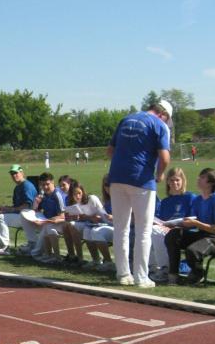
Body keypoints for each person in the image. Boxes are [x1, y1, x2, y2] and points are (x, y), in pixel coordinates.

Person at [107, 99, 171, 287]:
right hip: (141, 180)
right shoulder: (158, 125)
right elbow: (165, 157)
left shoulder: (126, 119)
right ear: (163, 115)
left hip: (116, 177)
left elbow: (110, 151)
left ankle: (123, 274)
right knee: (144, 230)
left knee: (121, 228)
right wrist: (159, 174)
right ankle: (141, 277)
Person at [165, 168, 215, 285]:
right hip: (203, 234)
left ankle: (198, 274)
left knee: (193, 251)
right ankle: (173, 275)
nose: (198, 179)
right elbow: (193, 222)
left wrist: (196, 224)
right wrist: (178, 224)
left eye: (202, 177)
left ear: (211, 183)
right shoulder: (198, 200)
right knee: (173, 235)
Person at [149, 168, 196, 282]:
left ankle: (165, 269)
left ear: (183, 181)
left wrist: (177, 226)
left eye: (177, 180)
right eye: (171, 180)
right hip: (165, 230)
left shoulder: (190, 197)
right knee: (147, 230)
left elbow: (193, 220)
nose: (175, 183)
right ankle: (151, 268)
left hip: (184, 232)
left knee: (155, 231)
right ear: (168, 182)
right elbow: (160, 219)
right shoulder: (165, 202)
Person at [0, 164, 38, 255]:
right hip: (21, 215)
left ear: (22, 173)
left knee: (1, 217)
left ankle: (5, 247)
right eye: (12, 174)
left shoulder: (27, 186)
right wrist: (6, 208)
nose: (14, 175)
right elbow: (17, 206)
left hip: (28, 217)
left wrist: (10, 210)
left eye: (16, 173)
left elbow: (27, 206)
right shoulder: (18, 187)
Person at [22, 172, 65, 263]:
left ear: (53, 182)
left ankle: (36, 252)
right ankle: (33, 243)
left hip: (60, 222)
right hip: (47, 219)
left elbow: (62, 216)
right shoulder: (44, 194)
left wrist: (45, 222)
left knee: (47, 227)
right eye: (42, 185)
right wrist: (36, 203)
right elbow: (36, 211)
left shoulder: (57, 195)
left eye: (47, 184)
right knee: (24, 213)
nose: (45, 187)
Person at [62, 180, 107, 266]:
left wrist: (87, 217)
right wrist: (72, 217)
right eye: (74, 194)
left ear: (83, 191)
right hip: (86, 224)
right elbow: (69, 218)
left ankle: (82, 258)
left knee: (74, 226)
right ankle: (73, 256)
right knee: (67, 225)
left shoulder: (92, 199)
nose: (78, 196)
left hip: (98, 224)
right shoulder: (72, 202)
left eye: (79, 193)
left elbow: (103, 216)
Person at [83, 174, 115, 271]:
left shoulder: (120, 199)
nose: (107, 187)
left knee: (96, 232)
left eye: (109, 184)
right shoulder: (107, 201)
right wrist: (98, 218)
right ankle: (96, 260)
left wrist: (113, 217)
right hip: (109, 225)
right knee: (87, 230)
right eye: (105, 185)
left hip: (121, 228)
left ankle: (109, 261)